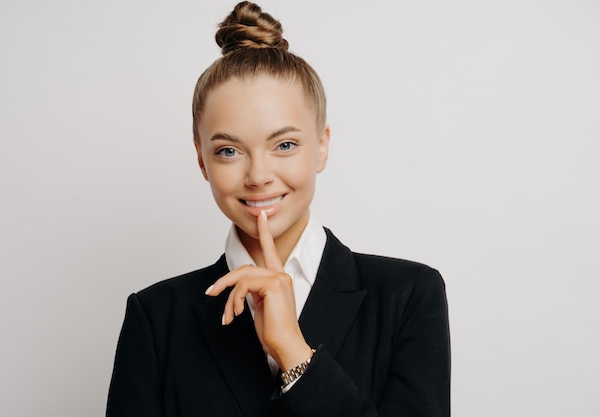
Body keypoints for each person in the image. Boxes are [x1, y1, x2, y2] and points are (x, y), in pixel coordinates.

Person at [106, 2, 450, 416]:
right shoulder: (157, 316)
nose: (258, 176)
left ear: (321, 146)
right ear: (202, 161)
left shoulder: (407, 296)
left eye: (284, 145)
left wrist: (293, 352)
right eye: (229, 150)